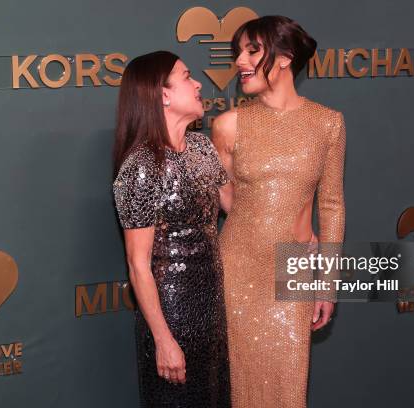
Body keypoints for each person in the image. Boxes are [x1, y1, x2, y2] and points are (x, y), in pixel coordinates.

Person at [212, 16, 346, 407]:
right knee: (239, 385)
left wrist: (327, 281)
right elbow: (226, 197)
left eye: (252, 50)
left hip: (294, 266)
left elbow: (333, 205)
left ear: (286, 57)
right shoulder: (228, 125)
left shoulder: (328, 123)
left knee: (288, 388)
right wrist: (265, 225)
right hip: (238, 265)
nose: (239, 60)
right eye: (239, 52)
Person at [112, 50, 231, 407]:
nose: (198, 84)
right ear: (163, 94)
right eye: (187, 76)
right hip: (172, 313)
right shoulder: (142, 166)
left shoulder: (201, 147)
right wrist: (163, 340)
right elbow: (138, 265)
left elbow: (237, 208)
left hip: (213, 308)